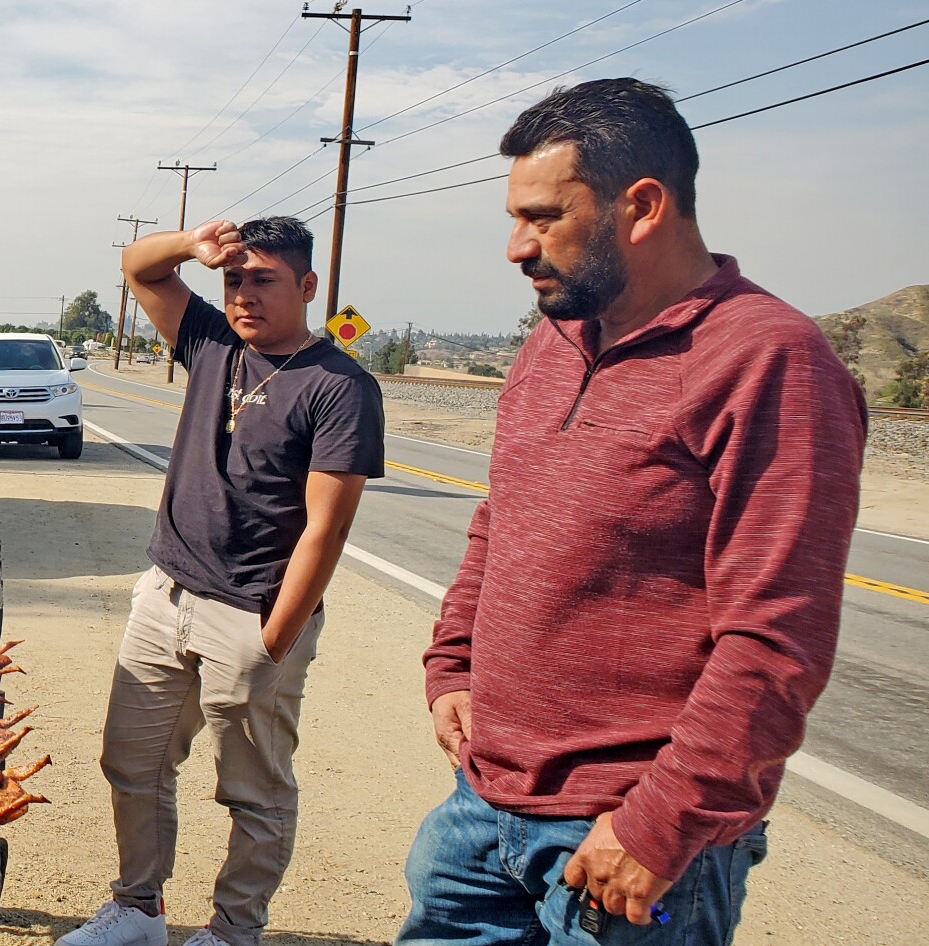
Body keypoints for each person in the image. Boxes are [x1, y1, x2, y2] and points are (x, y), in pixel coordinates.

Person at [396, 79, 867, 945]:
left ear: (642, 205)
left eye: (542, 217)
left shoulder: (769, 361)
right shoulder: (554, 339)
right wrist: (453, 666)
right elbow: (501, 522)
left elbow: (777, 638)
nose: (515, 246)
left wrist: (662, 823)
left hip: (625, 837)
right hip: (482, 808)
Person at [58, 217, 384, 946]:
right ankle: (138, 910)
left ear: (307, 287)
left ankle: (233, 932)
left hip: (253, 615)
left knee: (253, 793)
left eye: (262, 280)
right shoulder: (211, 342)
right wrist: (191, 246)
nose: (243, 294)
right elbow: (140, 268)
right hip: (166, 593)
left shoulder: (339, 386)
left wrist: (275, 639)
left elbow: (325, 530)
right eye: (234, 280)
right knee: (132, 763)